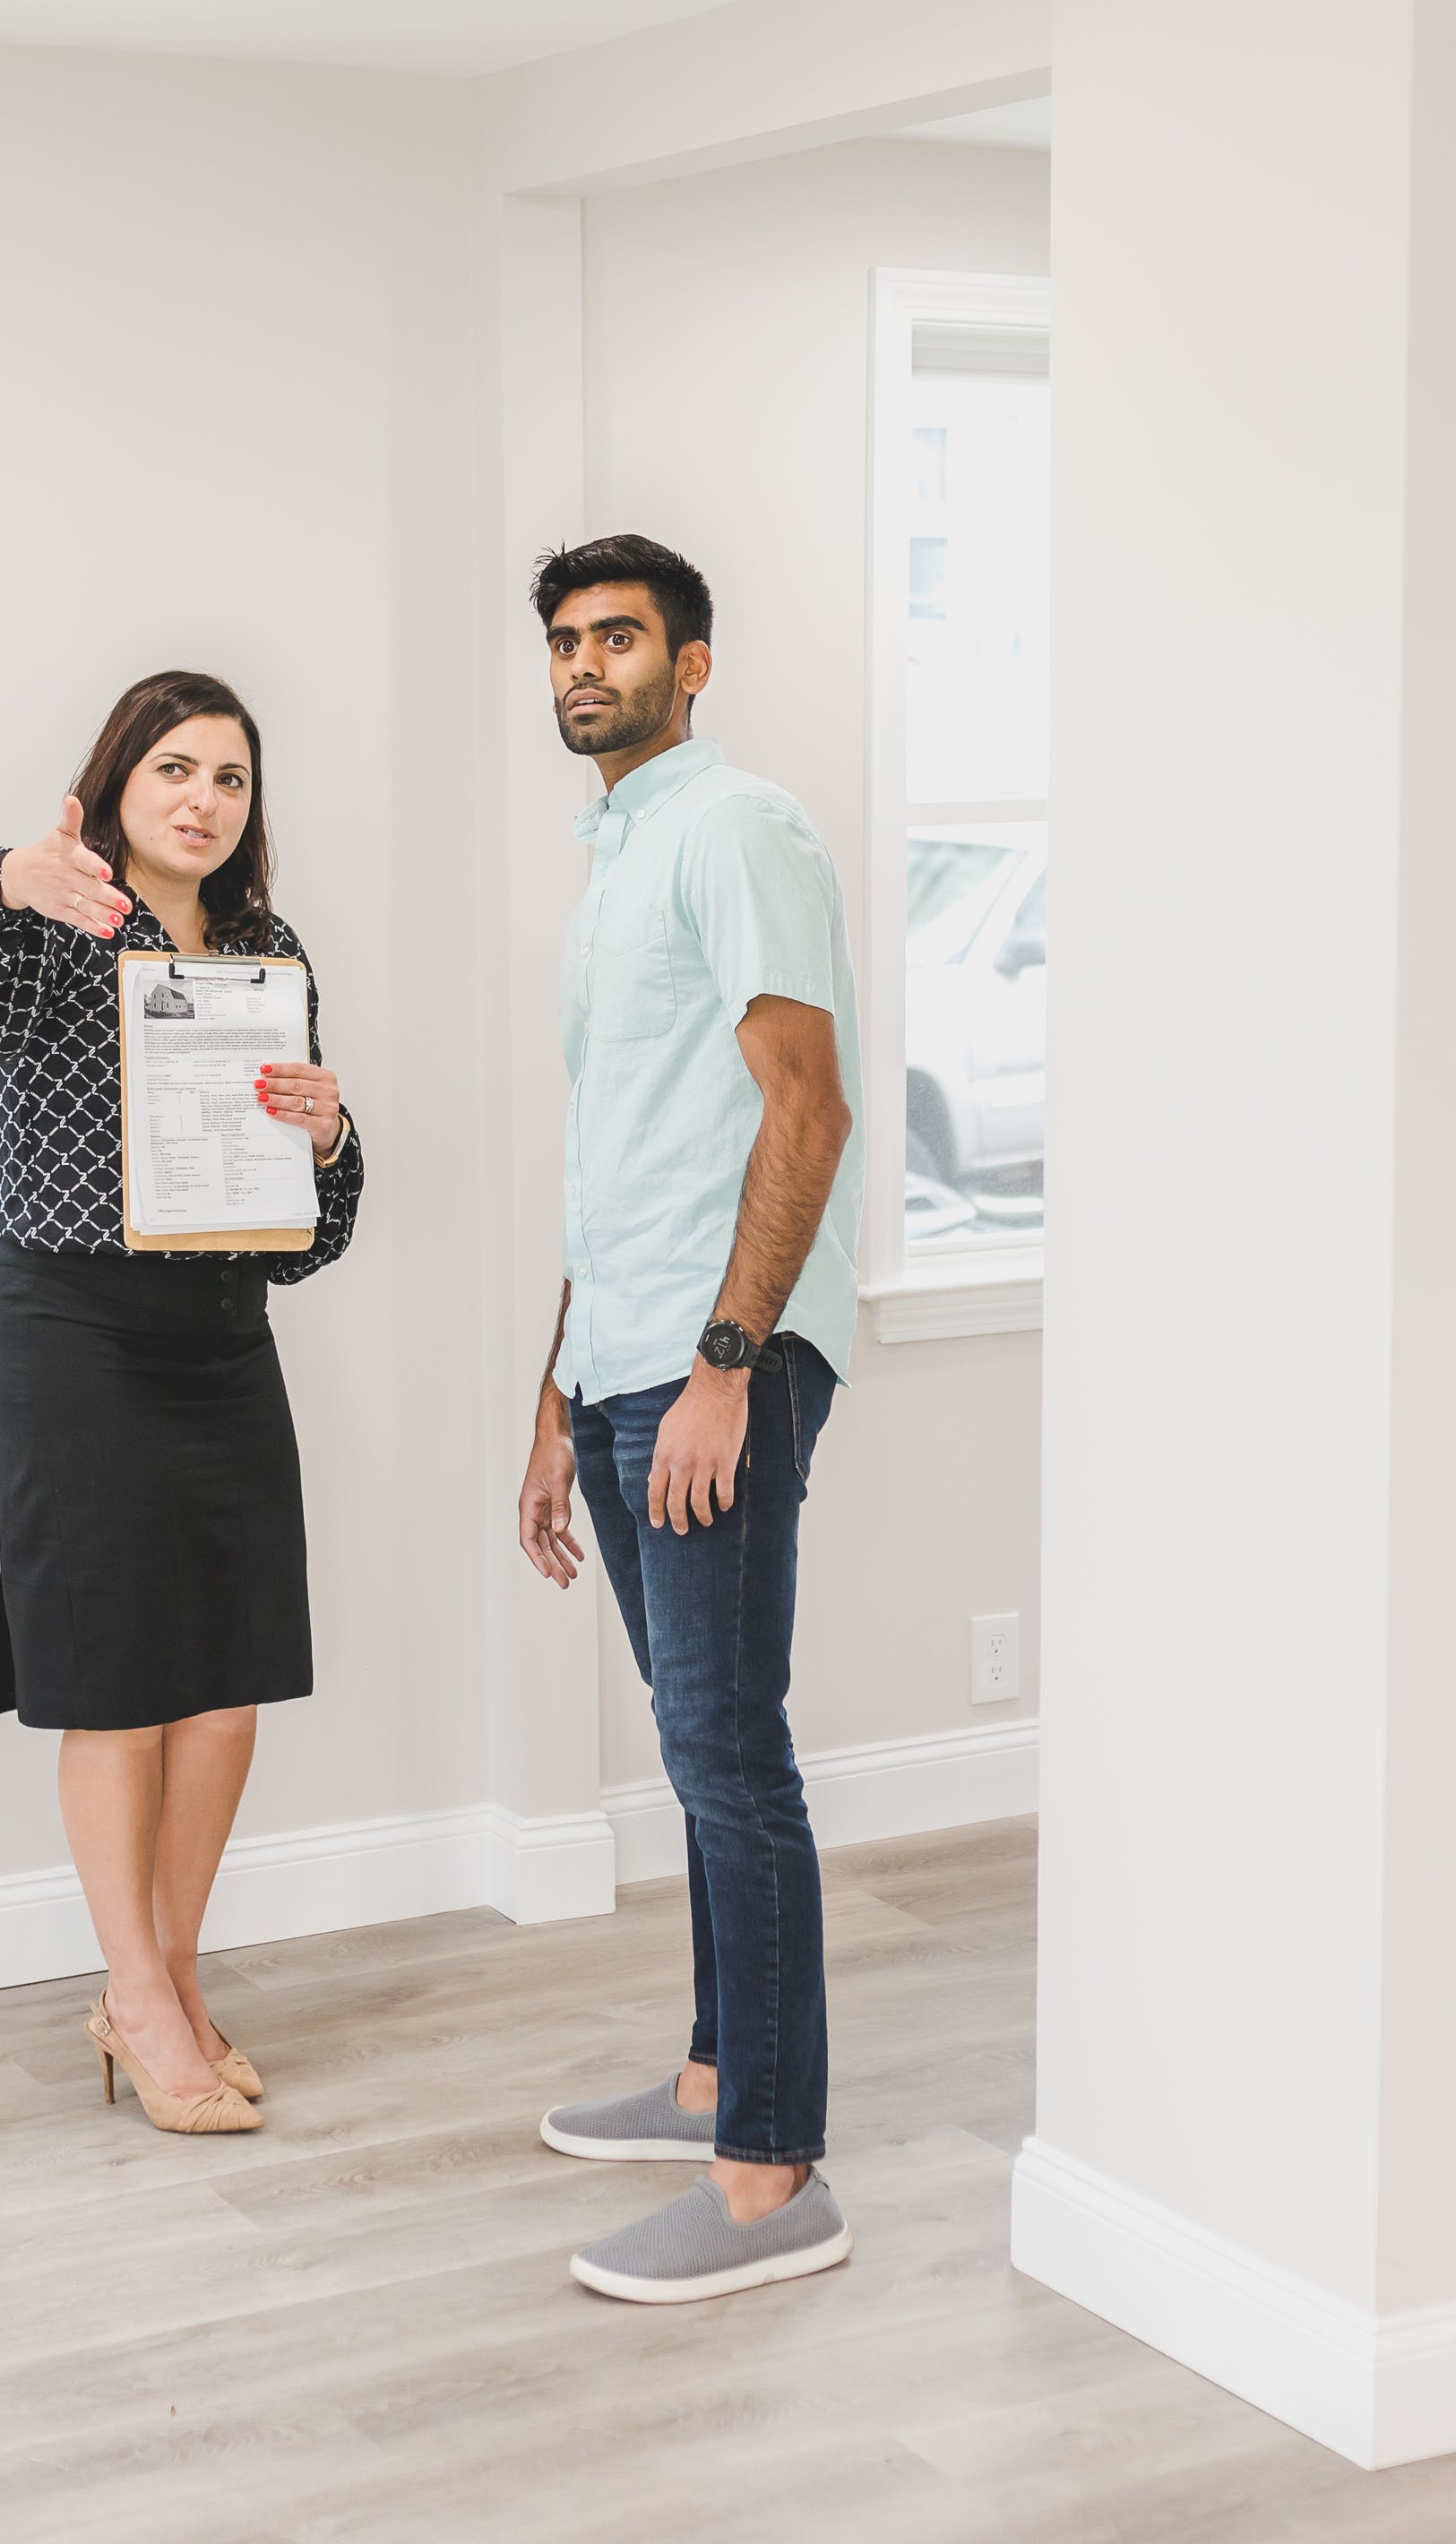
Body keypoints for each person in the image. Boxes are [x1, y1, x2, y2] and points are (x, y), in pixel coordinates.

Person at [0, 670, 363, 2138]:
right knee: (115, 1686)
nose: (202, 801)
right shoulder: (49, 924)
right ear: (117, 785)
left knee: (223, 1694)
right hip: (73, 1337)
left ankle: (157, 1977)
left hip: (223, 1338)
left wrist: (333, 1136)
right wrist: (5, 876)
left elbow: (313, 1231)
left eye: (229, 779)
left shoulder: (266, 950)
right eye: (175, 770)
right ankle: (144, 1996)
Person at [512, 535, 867, 2304]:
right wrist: (553, 1400)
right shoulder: (624, 847)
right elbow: (629, 1154)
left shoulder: (735, 831)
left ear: (694, 663)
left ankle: (771, 2179)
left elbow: (805, 1110)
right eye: (567, 642)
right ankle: (721, 2077)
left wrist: (732, 1358)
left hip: (716, 1362)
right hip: (630, 1355)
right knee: (695, 1745)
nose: (586, 665)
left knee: (732, 1748)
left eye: (621, 638)